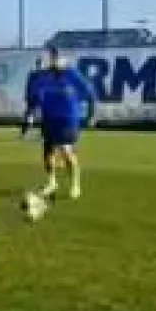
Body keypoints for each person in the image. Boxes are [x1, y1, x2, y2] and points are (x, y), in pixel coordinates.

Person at [22, 46, 96, 200]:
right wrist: (29, 118)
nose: (52, 60)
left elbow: (90, 94)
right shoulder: (42, 78)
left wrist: (91, 115)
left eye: (55, 57)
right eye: (51, 57)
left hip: (68, 118)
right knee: (48, 152)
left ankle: (75, 184)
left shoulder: (72, 74)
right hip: (49, 118)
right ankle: (51, 182)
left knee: (66, 150)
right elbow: (33, 99)